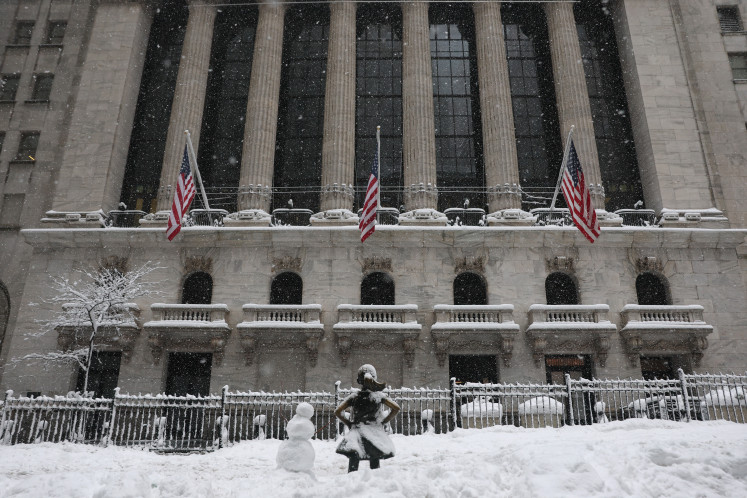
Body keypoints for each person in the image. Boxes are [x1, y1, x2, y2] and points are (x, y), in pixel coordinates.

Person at [334, 364, 400, 472]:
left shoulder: (354, 397)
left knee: (354, 456)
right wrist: (383, 421)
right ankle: (374, 480)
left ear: (359, 380)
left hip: (358, 431)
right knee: (374, 455)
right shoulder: (378, 396)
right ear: (374, 378)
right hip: (373, 432)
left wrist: (349, 423)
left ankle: (351, 479)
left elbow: (337, 411)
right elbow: (396, 408)